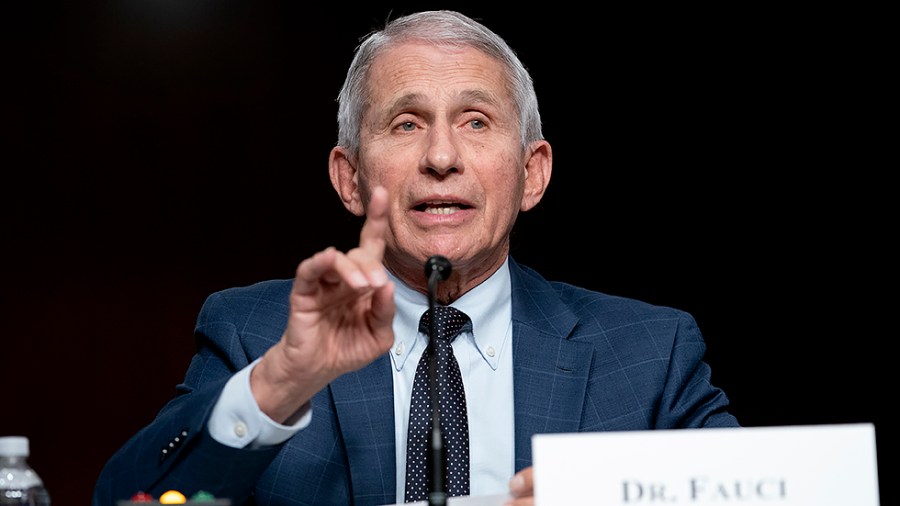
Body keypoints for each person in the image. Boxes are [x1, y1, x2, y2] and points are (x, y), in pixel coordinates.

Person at [93, 9, 739, 506]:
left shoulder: (651, 355)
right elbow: (127, 499)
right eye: (406, 123)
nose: (440, 156)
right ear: (349, 178)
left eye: (476, 121)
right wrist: (282, 380)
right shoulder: (254, 335)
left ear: (532, 174)